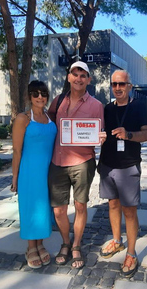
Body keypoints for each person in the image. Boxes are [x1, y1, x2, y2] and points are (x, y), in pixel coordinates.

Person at [48, 61, 106, 269]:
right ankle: (65, 242)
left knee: (80, 205)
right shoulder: (58, 101)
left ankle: (76, 245)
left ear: (89, 80)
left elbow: (100, 132)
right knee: (58, 211)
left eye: (83, 75)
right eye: (75, 74)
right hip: (58, 161)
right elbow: (48, 124)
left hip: (83, 162)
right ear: (69, 77)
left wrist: (101, 137)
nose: (79, 78)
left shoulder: (96, 105)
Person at [98, 70, 147, 278]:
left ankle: (131, 253)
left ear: (129, 86)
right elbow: (98, 130)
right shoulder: (107, 109)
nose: (118, 88)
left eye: (122, 84)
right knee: (112, 204)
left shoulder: (138, 106)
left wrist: (128, 134)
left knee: (129, 211)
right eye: (114, 84)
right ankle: (117, 241)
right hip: (108, 165)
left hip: (128, 166)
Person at [11, 80, 57, 269]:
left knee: (43, 208)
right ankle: (31, 247)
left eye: (43, 94)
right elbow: (16, 151)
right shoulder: (23, 119)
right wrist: (14, 177)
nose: (40, 97)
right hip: (30, 171)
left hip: (49, 170)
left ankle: (40, 244)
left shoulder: (50, 117)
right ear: (29, 96)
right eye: (36, 93)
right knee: (31, 207)